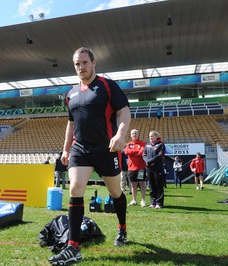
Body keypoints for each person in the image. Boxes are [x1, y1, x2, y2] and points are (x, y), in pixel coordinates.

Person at [48, 47, 131, 265]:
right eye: (77, 64)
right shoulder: (71, 94)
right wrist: (66, 149)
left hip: (107, 149)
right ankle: (73, 247)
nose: (81, 67)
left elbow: (124, 112)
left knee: (115, 192)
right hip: (80, 149)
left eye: (85, 62)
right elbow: (71, 123)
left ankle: (122, 228)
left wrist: (120, 135)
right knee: (75, 189)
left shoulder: (107, 86)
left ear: (94, 63)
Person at [143, 131, 166, 209]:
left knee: (159, 186)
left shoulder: (161, 145)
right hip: (149, 168)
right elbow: (144, 155)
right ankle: (153, 203)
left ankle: (159, 203)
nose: (150, 138)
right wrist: (147, 161)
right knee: (152, 186)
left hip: (158, 168)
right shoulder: (147, 145)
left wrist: (150, 161)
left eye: (152, 136)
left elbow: (160, 155)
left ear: (156, 136)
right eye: (149, 136)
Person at [124, 129, 147, 207]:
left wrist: (133, 152)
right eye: (133, 133)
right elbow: (126, 152)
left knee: (142, 184)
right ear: (131, 135)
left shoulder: (143, 143)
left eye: (136, 133)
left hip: (141, 167)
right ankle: (134, 200)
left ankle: (143, 200)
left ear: (138, 134)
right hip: (131, 168)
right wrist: (136, 151)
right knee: (133, 185)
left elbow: (141, 152)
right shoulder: (128, 144)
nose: (134, 134)